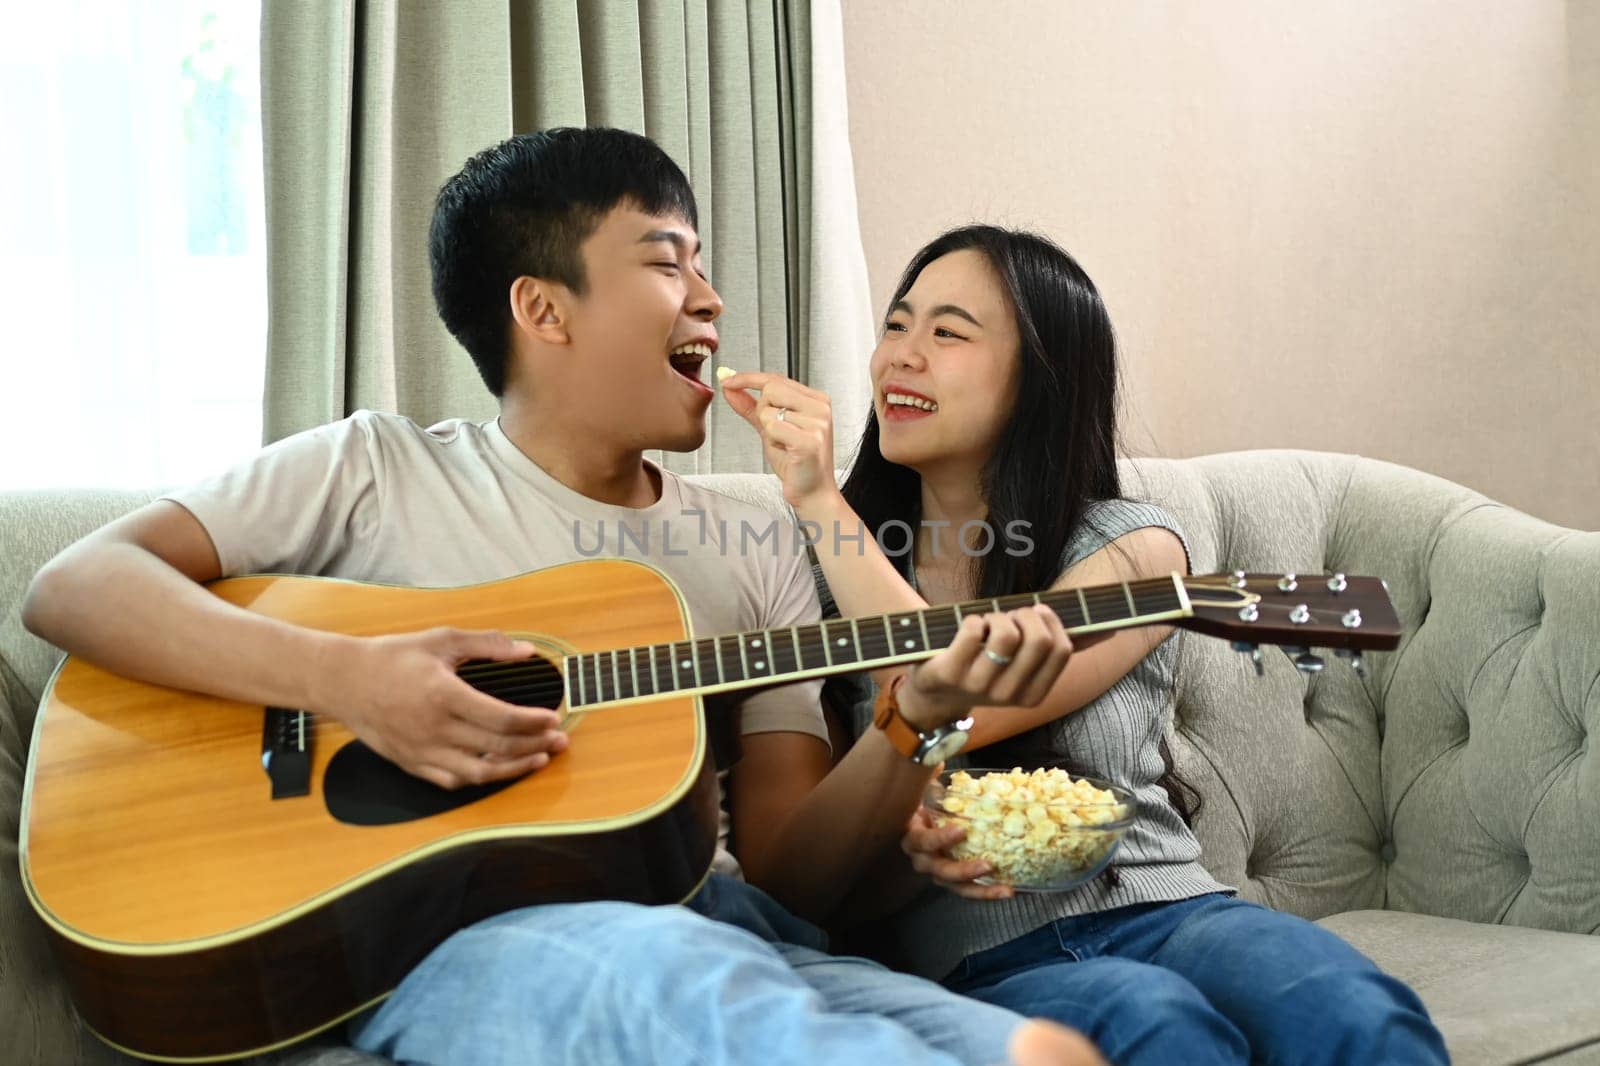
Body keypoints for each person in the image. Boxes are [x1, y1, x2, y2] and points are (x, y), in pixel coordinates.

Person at [21, 131, 1100, 1066]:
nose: (712, 298)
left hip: (736, 929)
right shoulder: (373, 470)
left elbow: (791, 874)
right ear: (543, 308)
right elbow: (78, 585)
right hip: (466, 934)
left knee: (1015, 1041)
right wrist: (351, 677)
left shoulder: (757, 536)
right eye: (669, 262)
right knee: (663, 971)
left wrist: (913, 720)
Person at [719, 224, 1451, 1066]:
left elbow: (949, 692)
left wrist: (819, 506)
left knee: (1352, 1010)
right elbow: (809, 876)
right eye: (896, 324)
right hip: (976, 962)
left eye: (947, 332)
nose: (901, 357)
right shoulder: (808, 581)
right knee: (1155, 1026)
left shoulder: (1134, 549)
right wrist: (820, 513)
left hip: (1172, 910)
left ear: (1040, 379)